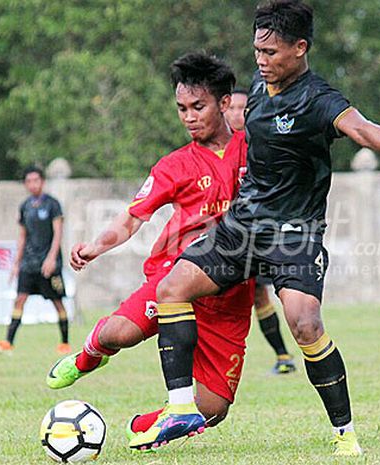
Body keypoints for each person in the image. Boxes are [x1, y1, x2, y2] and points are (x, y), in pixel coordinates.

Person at [131, 0, 380, 456]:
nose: (261, 60)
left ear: (300, 48)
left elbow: (360, 127)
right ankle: (180, 406)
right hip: (242, 227)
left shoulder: (319, 100)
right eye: (257, 51)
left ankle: (344, 433)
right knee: (172, 289)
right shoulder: (261, 90)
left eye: (271, 52)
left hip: (295, 235)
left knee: (304, 323)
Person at [45, 53, 254, 445]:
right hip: (176, 278)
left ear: (224, 103)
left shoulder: (256, 152)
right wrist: (95, 246)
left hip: (230, 296)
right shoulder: (174, 165)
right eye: (181, 109)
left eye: (198, 107)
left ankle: (146, 426)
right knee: (119, 334)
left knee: (215, 407)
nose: (188, 117)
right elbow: (131, 219)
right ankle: (87, 356)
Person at [226, 88, 297, 375]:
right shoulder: (218, 146)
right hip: (230, 234)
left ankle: (285, 355)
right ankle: (282, 356)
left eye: (243, 107)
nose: (236, 113)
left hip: (262, 232)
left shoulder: (260, 143)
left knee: (269, 294)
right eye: (230, 108)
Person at [0, 166, 71, 355]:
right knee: (20, 299)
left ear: (42, 182)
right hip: (29, 263)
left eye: (36, 180)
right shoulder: (25, 206)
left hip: (48, 263)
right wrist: (16, 263)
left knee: (57, 301)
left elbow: (58, 234)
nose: (33, 184)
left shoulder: (53, 204)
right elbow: (22, 236)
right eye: (29, 181)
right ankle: (8, 342)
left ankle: (65, 342)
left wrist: (51, 258)